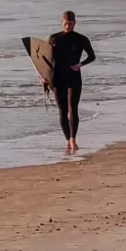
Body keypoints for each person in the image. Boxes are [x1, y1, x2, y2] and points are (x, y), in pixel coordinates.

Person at [49, 9, 95, 154]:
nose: (68, 26)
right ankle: (67, 140)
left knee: (73, 109)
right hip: (57, 77)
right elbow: (46, 60)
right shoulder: (53, 38)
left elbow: (92, 56)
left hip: (74, 76)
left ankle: (73, 139)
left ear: (75, 23)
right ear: (61, 22)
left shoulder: (81, 39)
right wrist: (43, 77)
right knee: (62, 110)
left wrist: (80, 64)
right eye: (66, 23)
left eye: (71, 23)